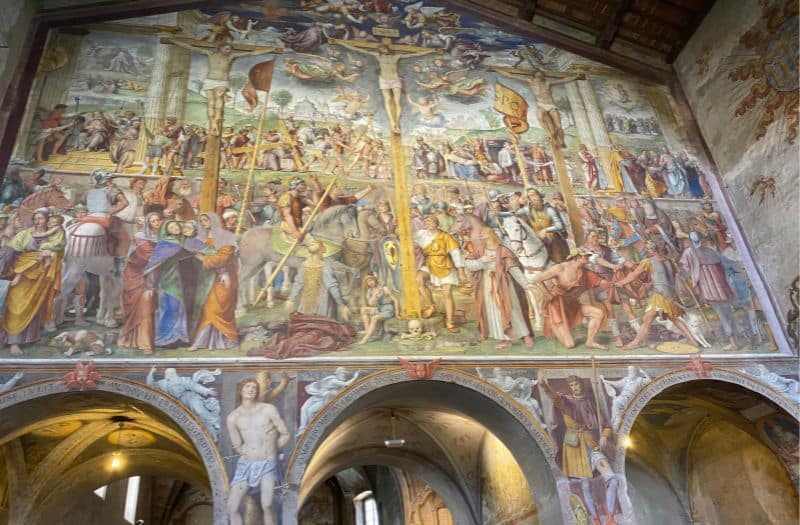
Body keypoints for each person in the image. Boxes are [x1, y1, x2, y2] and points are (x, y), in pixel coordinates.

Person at [537, 371, 614, 525]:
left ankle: (610, 516)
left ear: (581, 384)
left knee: (612, 478)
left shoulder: (591, 403)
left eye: (576, 384)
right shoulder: (566, 401)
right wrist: (543, 384)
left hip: (591, 443)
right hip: (574, 448)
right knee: (585, 485)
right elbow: (554, 397)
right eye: (572, 385)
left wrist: (604, 436)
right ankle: (595, 519)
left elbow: (605, 425)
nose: (575, 387)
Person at [1, 208, 65, 355]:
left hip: (41, 275)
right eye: (35, 218)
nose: (38, 221)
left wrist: (52, 254)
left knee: (34, 306)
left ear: (47, 219)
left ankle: (30, 338)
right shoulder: (25, 234)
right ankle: (13, 342)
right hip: (22, 273)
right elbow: (10, 252)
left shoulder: (54, 235)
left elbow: (59, 251)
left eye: (41, 218)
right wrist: (11, 271)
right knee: (16, 306)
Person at [226, 378, 290, 525]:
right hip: (246, 465)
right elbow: (237, 445)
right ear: (240, 390)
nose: (251, 390)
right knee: (232, 506)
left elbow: (285, 434)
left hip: (267, 463)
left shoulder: (267, 409)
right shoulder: (233, 417)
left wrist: (272, 449)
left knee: (267, 504)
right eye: (247, 386)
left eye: (254, 387)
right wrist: (247, 454)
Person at [618, 241, 700, 349]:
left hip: (660, 296)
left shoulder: (648, 262)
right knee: (673, 318)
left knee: (647, 319)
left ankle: (636, 342)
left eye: (649, 249)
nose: (647, 251)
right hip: (671, 296)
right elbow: (673, 277)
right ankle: (692, 340)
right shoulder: (670, 261)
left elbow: (633, 275)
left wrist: (621, 282)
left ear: (655, 249)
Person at [464, 227, 534, 349]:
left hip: (504, 284)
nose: (481, 236)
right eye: (481, 234)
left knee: (512, 309)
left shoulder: (503, 250)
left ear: (491, 234)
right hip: (487, 284)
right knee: (494, 312)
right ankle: (506, 339)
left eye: (484, 233)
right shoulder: (480, 250)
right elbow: (468, 265)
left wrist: (525, 283)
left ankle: (526, 335)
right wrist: (481, 261)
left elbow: (513, 269)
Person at [531, 248, 608, 349]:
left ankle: (590, 342)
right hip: (557, 306)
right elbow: (536, 279)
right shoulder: (560, 268)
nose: (589, 258)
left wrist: (616, 282)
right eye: (586, 256)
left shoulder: (583, 271)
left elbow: (600, 281)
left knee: (598, 313)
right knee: (570, 345)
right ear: (578, 257)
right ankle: (553, 322)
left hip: (572, 304)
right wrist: (547, 294)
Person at [680, 232, 741, 350]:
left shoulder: (689, 252)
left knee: (722, 314)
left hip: (709, 289)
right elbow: (723, 266)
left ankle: (733, 342)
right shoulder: (710, 251)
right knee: (727, 312)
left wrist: (681, 275)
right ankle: (735, 340)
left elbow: (686, 270)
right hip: (721, 288)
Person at [189, 213, 239, 351]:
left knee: (220, 309)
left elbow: (224, 257)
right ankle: (201, 342)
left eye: (206, 220)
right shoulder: (200, 238)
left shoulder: (226, 236)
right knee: (206, 308)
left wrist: (201, 257)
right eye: (201, 220)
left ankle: (227, 340)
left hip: (224, 277)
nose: (203, 223)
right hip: (206, 279)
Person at [118, 212, 162, 354]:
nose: (157, 223)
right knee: (144, 307)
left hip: (153, 275)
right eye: (153, 221)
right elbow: (147, 256)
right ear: (147, 223)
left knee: (150, 307)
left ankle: (142, 340)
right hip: (138, 277)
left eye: (158, 220)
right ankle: (145, 343)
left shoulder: (162, 237)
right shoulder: (140, 237)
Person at [414, 215, 467, 333]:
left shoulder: (445, 236)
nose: (427, 223)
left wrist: (461, 272)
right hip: (429, 264)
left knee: (447, 293)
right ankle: (431, 306)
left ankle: (450, 322)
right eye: (425, 221)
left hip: (444, 264)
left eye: (430, 221)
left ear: (436, 223)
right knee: (419, 279)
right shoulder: (421, 234)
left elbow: (456, 253)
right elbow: (405, 237)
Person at [285, 237, 350, 321]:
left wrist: (291, 299)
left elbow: (298, 283)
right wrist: (341, 305)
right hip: (317, 304)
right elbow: (332, 286)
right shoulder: (321, 265)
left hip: (314, 303)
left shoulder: (308, 265)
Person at [516, 188, 569, 263]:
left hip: (551, 238)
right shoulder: (527, 210)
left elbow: (560, 226)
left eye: (536, 195)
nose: (534, 198)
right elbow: (514, 215)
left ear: (540, 196)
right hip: (536, 238)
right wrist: (519, 203)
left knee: (556, 251)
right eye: (531, 196)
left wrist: (546, 230)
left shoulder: (549, 210)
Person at [358, 273, 398, 345]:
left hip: (388, 309)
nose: (370, 282)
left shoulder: (384, 288)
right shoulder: (370, 291)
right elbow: (371, 303)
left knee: (374, 318)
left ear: (375, 280)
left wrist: (397, 313)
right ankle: (368, 331)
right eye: (368, 282)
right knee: (363, 309)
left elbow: (395, 300)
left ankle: (365, 339)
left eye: (371, 280)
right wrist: (375, 295)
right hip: (380, 308)